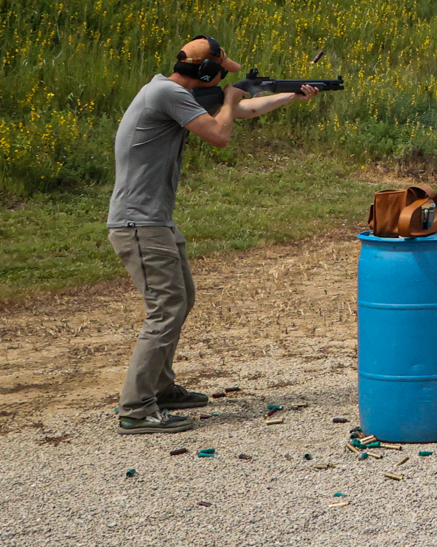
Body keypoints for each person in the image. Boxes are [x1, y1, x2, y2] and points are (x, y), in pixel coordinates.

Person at [108, 37, 321, 434]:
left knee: (181, 298)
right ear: (205, 73)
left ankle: (162, 387)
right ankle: (136, 408)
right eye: (221, 73)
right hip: (139, 223)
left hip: (154, 220)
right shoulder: (167, 94)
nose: (224, 79)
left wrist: (293, 95)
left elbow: (246, 108)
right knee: (166, 309)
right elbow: (221, 134)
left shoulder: (171, 92)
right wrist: (229, 99)